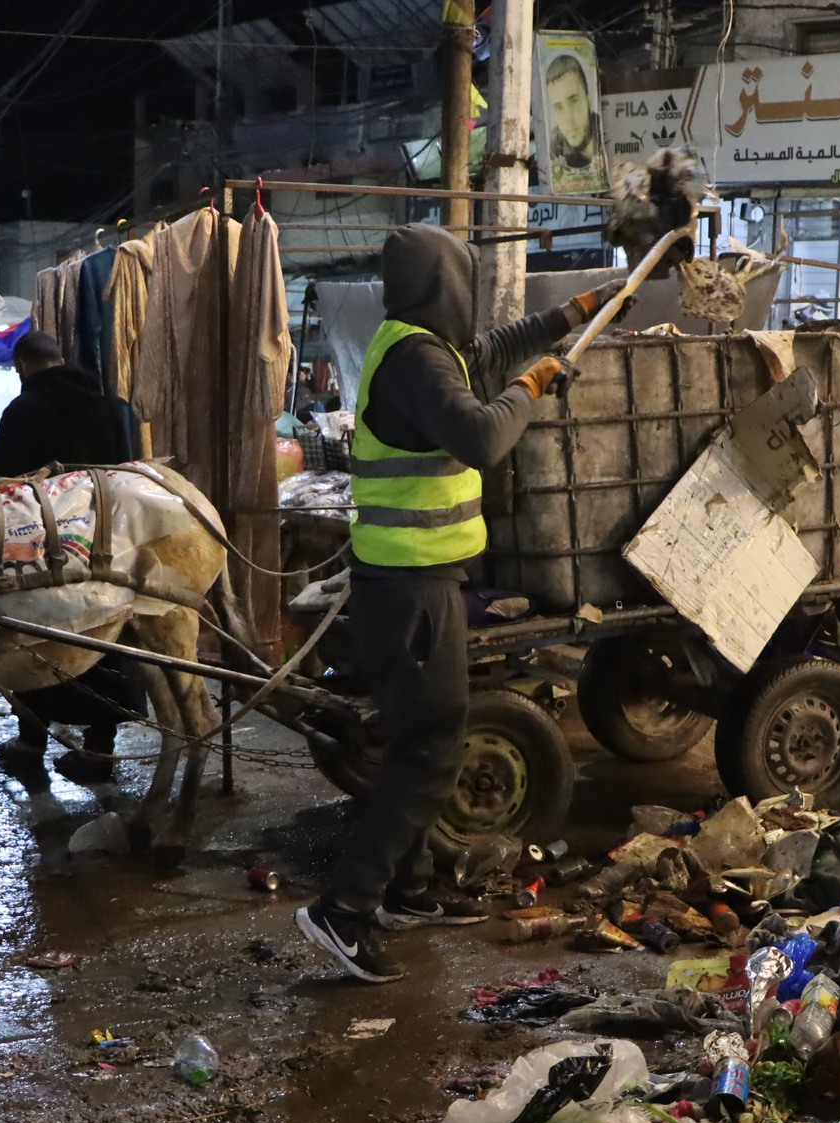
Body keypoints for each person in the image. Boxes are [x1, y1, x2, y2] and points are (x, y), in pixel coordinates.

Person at [294, 222, 623, 982]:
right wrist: (532, 389)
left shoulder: (416, 345)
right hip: (410, 592)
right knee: (433, 748)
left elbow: (491, 352)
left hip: (411, 585)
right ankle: (342, 911)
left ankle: (407, 890)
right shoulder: (414, 358)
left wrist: (575, 311)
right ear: (448, 285)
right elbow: (480, 435)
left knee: (417, 742)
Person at [0, 330, 139, 787]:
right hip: (104, 545)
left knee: (34, 643)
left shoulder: (25, 410)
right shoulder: (112, 408)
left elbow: (0, 480)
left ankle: (30, 743)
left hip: (41, 551)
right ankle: (98, 752)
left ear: (23, 367)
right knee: (104, 639)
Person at [0, 330, 132, 480]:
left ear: (22, 365)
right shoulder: (115, 410)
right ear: (61, 362)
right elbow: (129, 473)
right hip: (108, 501)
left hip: (47, 503)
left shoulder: (20, 412)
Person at [543, 53, 606, 192]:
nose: (568, 119)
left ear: (589, 100)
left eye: (573, 101)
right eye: (559, 108)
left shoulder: (609, 137)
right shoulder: (553, 150)